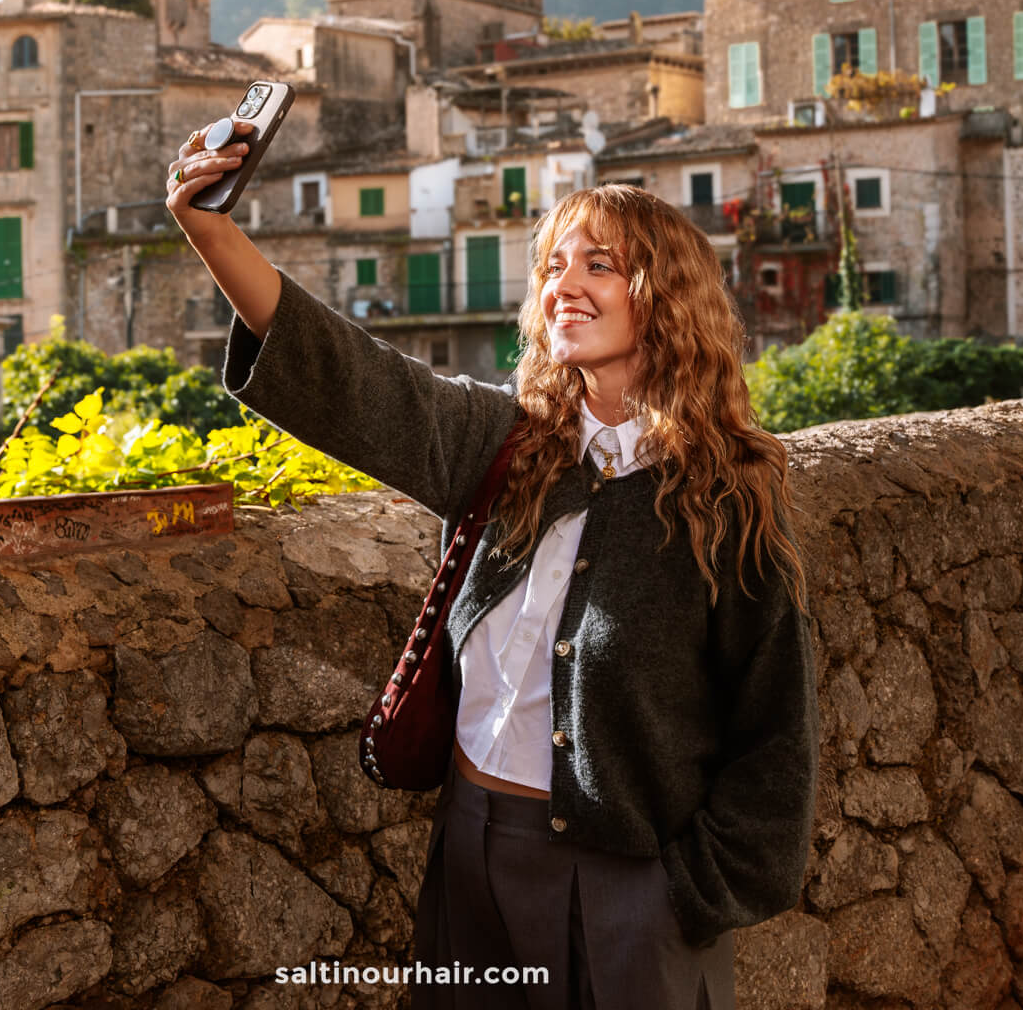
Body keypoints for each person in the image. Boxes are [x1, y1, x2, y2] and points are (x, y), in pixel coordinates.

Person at [166, 122, 818, 1010]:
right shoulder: (501, 444)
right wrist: (212, 231)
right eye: (554, 265)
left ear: (667, 298)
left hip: (630, 884)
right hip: (471, 844)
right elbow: (355, 380)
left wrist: (685, 897)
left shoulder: (727, 500)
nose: (566, 285)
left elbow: (776, 731)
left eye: (600, 265)